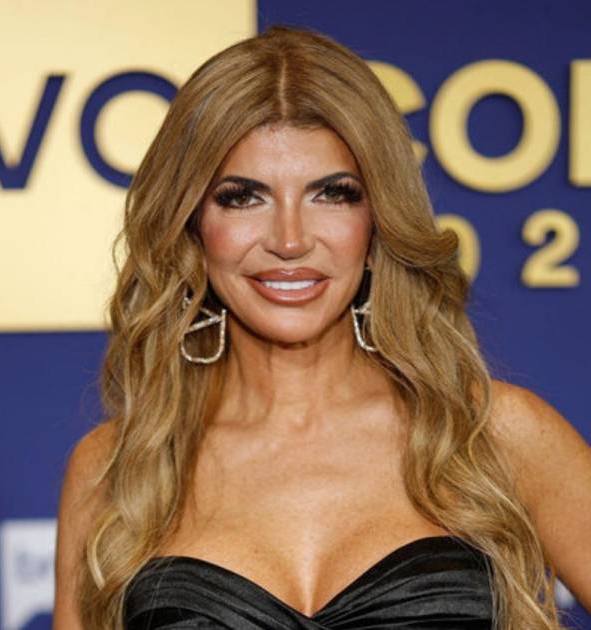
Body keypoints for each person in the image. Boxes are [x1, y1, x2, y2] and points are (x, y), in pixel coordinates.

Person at [54, 27, 591, 630]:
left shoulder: (494, 435)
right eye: (243, 197)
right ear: (192, 227)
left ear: (378, 221)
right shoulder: (116, 469)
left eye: (332, 194)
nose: (289, 240)